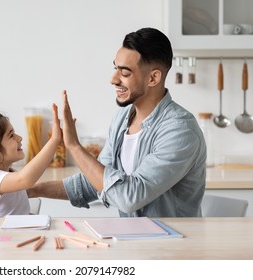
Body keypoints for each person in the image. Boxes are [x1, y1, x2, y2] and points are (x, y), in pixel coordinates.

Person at [28, 27, 206, 217]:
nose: (113, 79)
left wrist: (73, 146)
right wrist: (32, 189)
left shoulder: (180, 131)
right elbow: (95, 180)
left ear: (153, 78)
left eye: (125, 73)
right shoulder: (123, 118)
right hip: (132, 241)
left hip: (172, 244)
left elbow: (129, 198)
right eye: (115, 69)